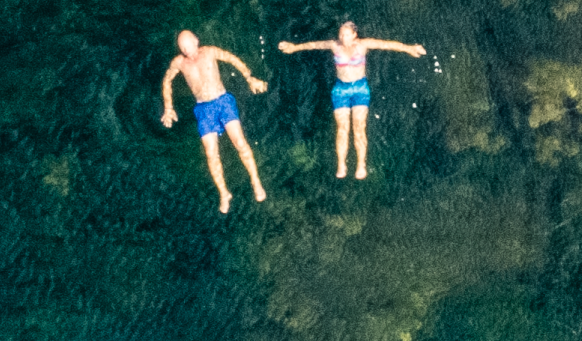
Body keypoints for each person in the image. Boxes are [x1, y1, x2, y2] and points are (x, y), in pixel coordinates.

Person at [280, 19, 430, 180]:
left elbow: (386, 45)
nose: (343, 37)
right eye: (341, 34)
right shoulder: (334, 45)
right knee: (342, 128)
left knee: (359, 127)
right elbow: (314, 45)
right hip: (340, 90)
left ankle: (360, 165)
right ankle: (341, 164)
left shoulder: (363, 45)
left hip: (360, 89)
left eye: (346, 34)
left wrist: (409, 48)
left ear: (354, 35)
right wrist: (294, 47)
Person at [157, 29, 269, 212]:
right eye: (182, 47)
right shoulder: (179, 62)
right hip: (203, 109)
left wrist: (250, 79)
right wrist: (168, 107)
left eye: (189, 45)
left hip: (223, 101)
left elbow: (233, 59)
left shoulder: (210, 52)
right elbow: (167, 80)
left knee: (240, 142)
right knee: (211, 153)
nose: (187, 50)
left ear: (196, 41)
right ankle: (224, 193)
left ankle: (256, 181)